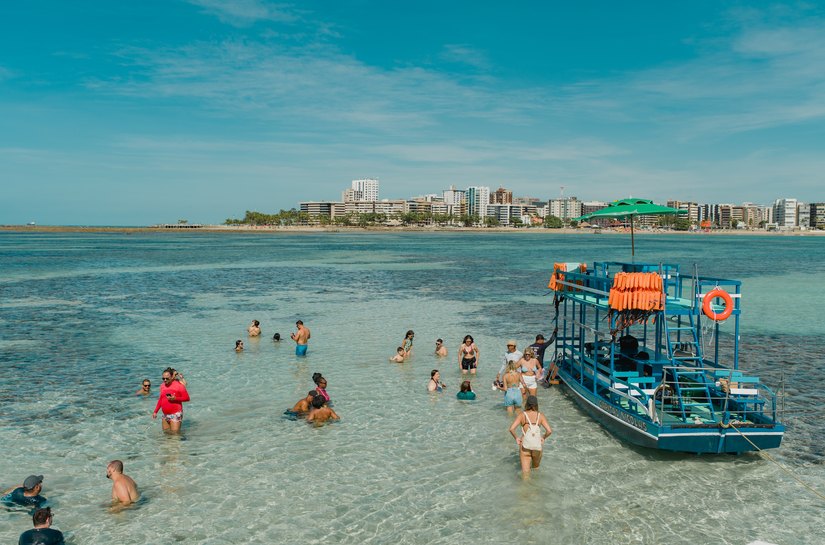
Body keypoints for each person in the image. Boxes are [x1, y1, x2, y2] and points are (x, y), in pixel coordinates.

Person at [508, 395, 552, 477]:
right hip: (537, 445)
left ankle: (525, 488)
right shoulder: (540, 416)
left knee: (525, 474)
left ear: (527, 404)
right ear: (536, 404)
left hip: (525, 446)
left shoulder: (522, 415)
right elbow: (549, 431)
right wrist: (543, 438)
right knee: (536, 470)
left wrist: (516, 438)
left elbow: (511, 429)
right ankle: (536, 489)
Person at [152, 367, 191, 432]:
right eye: (163, 378)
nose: (165, 380)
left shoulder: (179, 386)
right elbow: (161, 399)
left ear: (172, 377)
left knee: (175, 436)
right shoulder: (162, 386)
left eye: (167, 378)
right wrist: (155, 411)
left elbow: (187, 398)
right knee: (166, 434)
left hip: (175, 414)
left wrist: (175, 398)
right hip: (165, 415)